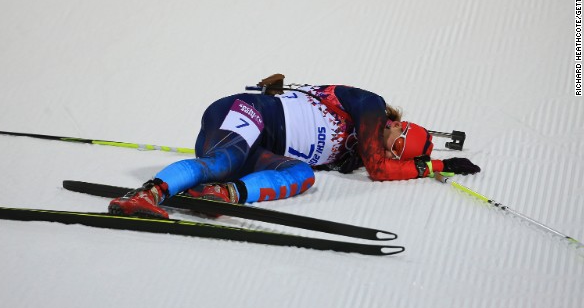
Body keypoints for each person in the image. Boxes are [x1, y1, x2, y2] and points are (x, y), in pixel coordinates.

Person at [108, 75, 481, 219]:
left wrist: (434, 161)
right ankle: (145, 195)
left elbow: (378, 165)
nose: (391, 144)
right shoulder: (372, 105)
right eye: (399, 136)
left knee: (301, 175)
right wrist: (434, 167)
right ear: (397, 122)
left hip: (265, 145)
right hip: (249, 114)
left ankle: (220, 195)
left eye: (397, 148)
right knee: (223, 160)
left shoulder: (357, 152)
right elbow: (380, 172)